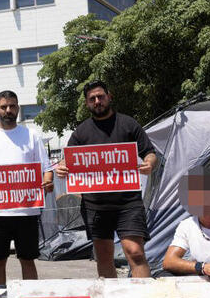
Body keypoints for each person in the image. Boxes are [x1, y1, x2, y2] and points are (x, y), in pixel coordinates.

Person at [54, 81, 157, 278]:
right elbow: (65, 160)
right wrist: (62, 168)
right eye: (92, 99)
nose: (97, 101)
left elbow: (150, 153)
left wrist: (149, 164)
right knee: (103, 257)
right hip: (95, 206)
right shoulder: (81, 132)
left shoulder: (128, 124)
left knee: (135, 252)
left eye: (100, 96)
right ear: (87, 103)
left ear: (109, 97)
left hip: (128, 203)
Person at [0, 90, 54, 285]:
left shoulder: (32, 135)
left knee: (28, 260)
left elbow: (46, 169)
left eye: (12, 106)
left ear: (18, 108)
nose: (8, 110)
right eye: (4, 107)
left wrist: (47, 181)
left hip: (27, 211)